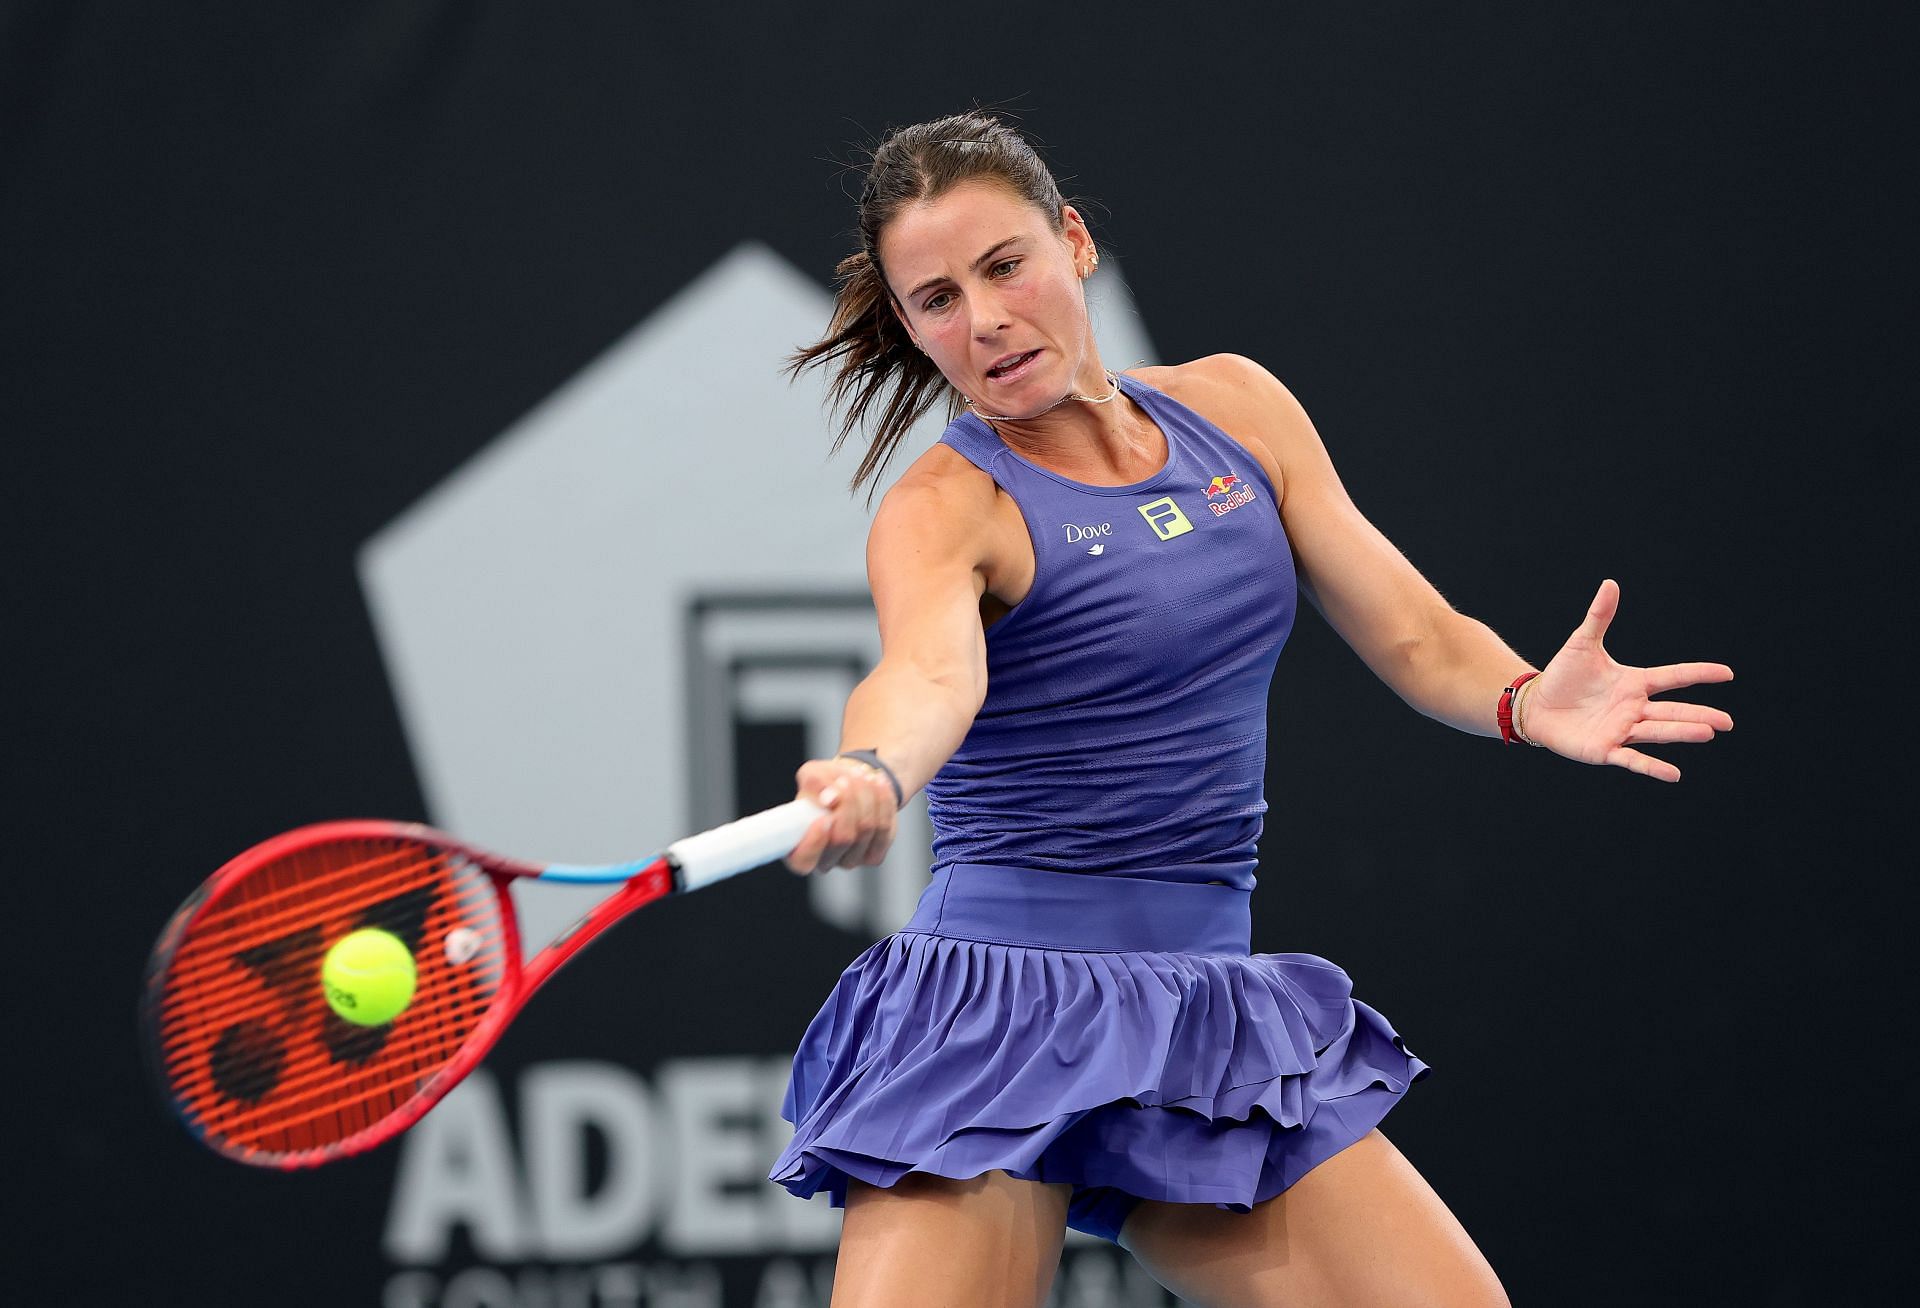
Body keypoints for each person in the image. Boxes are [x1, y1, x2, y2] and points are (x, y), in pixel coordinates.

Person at [766, 112, 1733, 1308]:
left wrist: (1527, 698)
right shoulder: (944, 505)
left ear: (1072, 242)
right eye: (938, 300)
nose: (985, 321)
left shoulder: (1238, 410)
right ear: (912, 325)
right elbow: (926, 676)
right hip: (999, 1013)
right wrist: (873, 765)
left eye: (1004, 265)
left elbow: (1417, 633)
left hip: (1199, 1009)